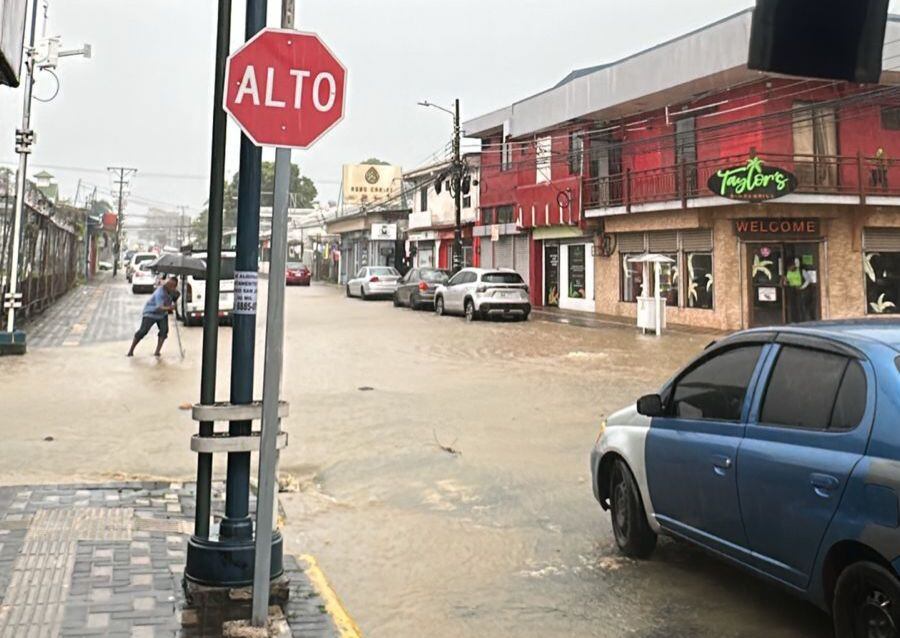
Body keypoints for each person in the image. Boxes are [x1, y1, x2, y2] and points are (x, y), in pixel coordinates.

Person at [127, 276, 178, 357]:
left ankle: (157, 352)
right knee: (143, 331)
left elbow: (175, 301)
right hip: (151, 312)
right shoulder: (160, 292)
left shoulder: (173, 292)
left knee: (164, 331)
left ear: (174, 287)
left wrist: (175, 301)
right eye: (169, 284)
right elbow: (159, 307)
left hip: (162, 314)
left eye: (172, 286)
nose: (170, 286)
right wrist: (170, 308)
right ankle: (131, 350)